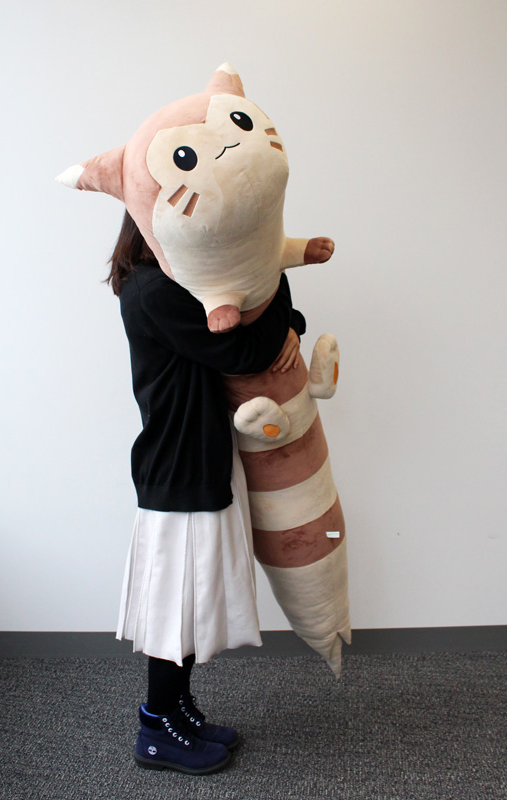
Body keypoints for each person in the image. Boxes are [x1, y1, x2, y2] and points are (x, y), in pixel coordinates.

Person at [108, 210, 306, 775]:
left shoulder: (173, 285)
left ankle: (177, 709)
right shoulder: (153, 290)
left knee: (190, 601)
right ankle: (156, 727)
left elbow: (246, 327)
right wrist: (277, 277)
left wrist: (288, 322)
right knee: (175, 608)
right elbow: (245, 352)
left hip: (198, 457)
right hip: (179, 466)